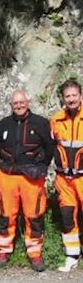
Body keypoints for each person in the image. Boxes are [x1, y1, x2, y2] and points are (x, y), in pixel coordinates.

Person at [0, 90, 54, 272]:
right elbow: (0, 149)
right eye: (15, 103)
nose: (19, 105)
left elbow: (50, 148)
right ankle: (4, 249)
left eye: (22, 102)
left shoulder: (41, 123)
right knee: (5, 214)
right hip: (8, 176)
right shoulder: (4, 124)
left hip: (32, 177)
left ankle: (34, 253)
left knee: (34, 215)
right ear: (11, 105)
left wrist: (39, 166)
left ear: (28, 101)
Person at [51, 79, 83, 272]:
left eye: (74, 95)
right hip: (64, 178)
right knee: (67, 216)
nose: (71, 99)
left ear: (80, 96)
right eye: (67, 96)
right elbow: (50, 146)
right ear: (63, 98)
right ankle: (72, 255)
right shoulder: (56, 119)